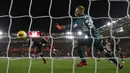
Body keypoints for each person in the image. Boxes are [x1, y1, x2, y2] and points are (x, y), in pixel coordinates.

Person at [56, 6, 123, 69]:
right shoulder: (87, 16)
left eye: (76, 11)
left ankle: (83, 61)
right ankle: (118, 64)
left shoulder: (80, 19)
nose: (75, 12)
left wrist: (61, 27)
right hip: (97, 36)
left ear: (80, 11)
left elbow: (73, 26)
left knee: (75, 42)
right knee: (104, 51)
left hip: (91, 37)